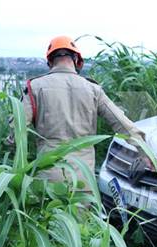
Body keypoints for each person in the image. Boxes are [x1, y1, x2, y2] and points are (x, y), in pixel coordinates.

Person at [22, 36, 147, 186]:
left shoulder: (34, 87)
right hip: (83, 179)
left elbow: (17, 129)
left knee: (49, 209)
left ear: (50, 61)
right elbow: (122, 123)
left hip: (48, 179)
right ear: (76, 59)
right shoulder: (93, 89)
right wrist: (146, 153)